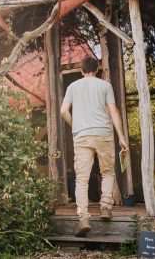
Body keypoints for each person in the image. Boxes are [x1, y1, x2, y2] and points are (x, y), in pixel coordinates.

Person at [60, 56, 128, 237]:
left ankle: (83, 218)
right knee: (108, 172)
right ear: (96, 70)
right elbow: (113, 110)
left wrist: (75, 125)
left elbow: (63, 111)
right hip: (103, 133)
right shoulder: (105, 86)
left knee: (81, 179)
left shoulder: (72, 87)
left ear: (81, 71)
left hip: (81, 136)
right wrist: (121, 137)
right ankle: (106, 206)